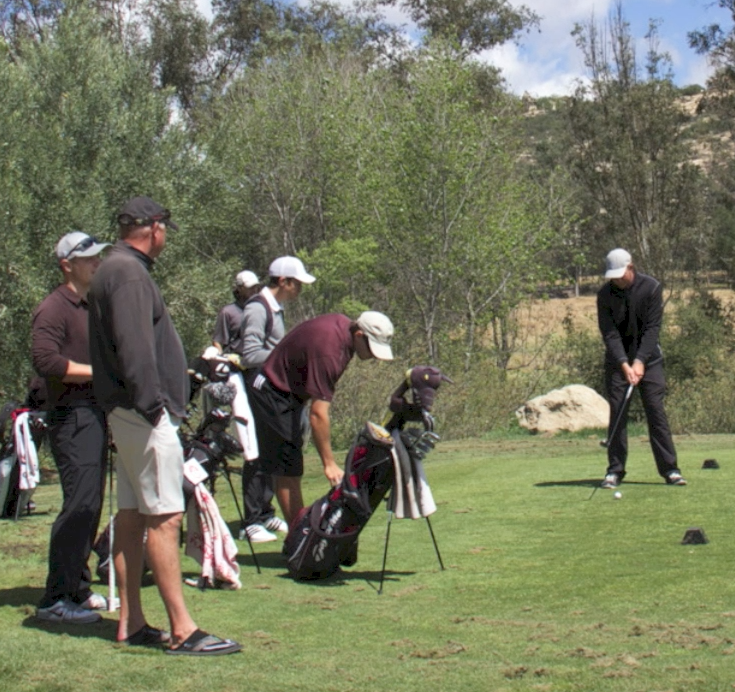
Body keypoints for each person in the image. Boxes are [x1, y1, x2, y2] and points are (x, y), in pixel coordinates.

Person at [88, 196, 241, 655]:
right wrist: (155, 408)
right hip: (143, 415)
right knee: (165, 516)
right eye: (165, 228)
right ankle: (182, 628)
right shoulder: (130, 274)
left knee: (134, 517)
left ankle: (131, 622)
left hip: (129, 413)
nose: (166, 236)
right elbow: (135, 349)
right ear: (154, 228)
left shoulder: (113, 269)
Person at [247, 311, 394, 526]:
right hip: (273, 391)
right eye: (372, 347)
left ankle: (299, 534)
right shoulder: (331, 353)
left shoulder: (342, 326)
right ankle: (299, 539)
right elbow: (318, 414)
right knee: (287, 469)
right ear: (360, 334)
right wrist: (329, 464)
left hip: (287, 393)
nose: (373, 355)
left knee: (291, 464)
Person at [33, 232, 110, 624]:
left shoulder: (91, 305)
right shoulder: (54, 307)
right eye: (89, 258)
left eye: (99, 256)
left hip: (94, 414)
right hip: (70, 415)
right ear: (67, 265)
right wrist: (101, 374)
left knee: (91, 503)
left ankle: (77, 587)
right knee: (79, 502)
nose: (97, 262)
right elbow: (45, 360)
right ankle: (54, 599)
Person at [239, 256, 316, 542]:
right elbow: (249, 354)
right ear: (283, 281)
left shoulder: (275, 307)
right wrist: (286, 357)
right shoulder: (258, 308)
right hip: (260, 388)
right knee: (259, 452)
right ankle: (252, 519)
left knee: (275, 452)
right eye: (297, 284)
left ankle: (266, 512)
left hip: (274, 390)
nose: (300, 290)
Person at [597, 248, 686, 489]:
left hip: (650, 359)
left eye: (620, 274)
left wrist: (640, 361)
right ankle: (614, 471)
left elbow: (652, 329)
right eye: (612, 276)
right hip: (618, 362)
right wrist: (625, 364)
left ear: (630, 267)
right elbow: (610, 333)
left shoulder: (651, 288)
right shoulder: (605, 295)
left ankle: (670, 469)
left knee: (656, 412)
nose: (617, 279)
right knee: (618, 412)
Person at [211, 270, 260, 355]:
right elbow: (217, 341)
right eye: (250, 288)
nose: (254, 291)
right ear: (240, 288)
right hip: (234, 362)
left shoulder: (261, 310)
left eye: (255, 287)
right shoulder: (228, 312)